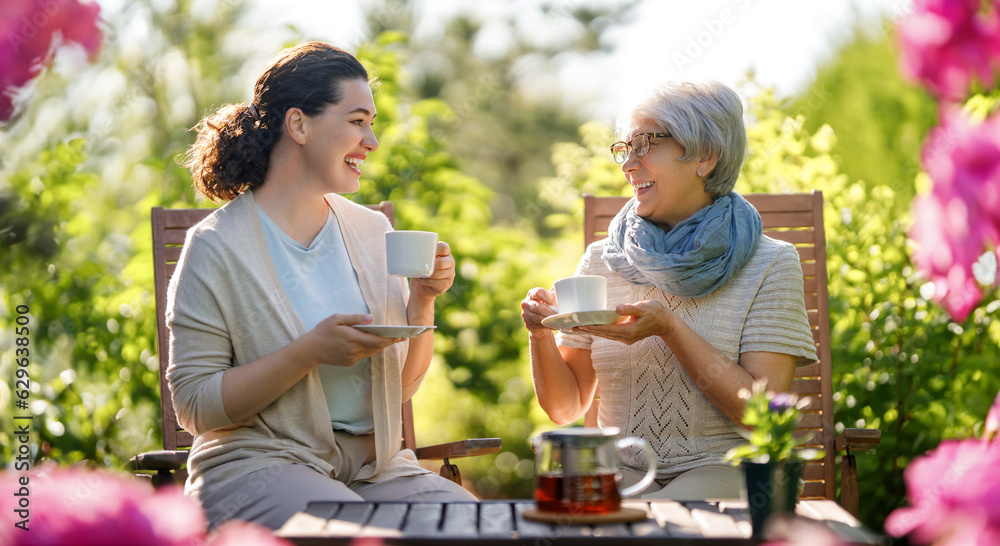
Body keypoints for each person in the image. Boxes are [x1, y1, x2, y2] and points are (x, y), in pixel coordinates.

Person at [168, 41, 476, 531]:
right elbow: (195, 406)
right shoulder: (216, 246)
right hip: (261, 466)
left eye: (371, 124)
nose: (372, 141)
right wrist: (307, 352)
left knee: (474, 527)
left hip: (377, 471)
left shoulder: (372, 232)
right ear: (299, 125)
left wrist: (422, 300)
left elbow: (402, 388)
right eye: (357, 122)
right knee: (360, 534)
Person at [520, 81, 818, 500]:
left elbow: (761, 417)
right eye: (625, 148)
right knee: (585, 512)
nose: (628, 164)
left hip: (730, 468)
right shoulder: (600, 261)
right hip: (618, 470)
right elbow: (565, 408)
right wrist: (540, 335)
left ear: (705, 156)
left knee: (643, 521)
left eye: (645, 144)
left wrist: (671, 329)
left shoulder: (770, 263)